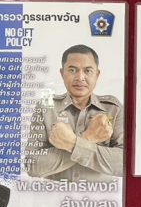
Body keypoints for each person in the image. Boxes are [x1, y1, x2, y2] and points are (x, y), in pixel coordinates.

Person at [25, 44, 124, 181]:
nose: (80, 77)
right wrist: (89, 137)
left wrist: (71, 143)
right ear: (62, 73)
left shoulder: (114, 109)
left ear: (97, 74)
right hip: (54, 193)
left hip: (100, 194)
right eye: (72, 70)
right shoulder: (46, 108)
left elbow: (123, 164)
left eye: (88, 71)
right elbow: (32, 166)